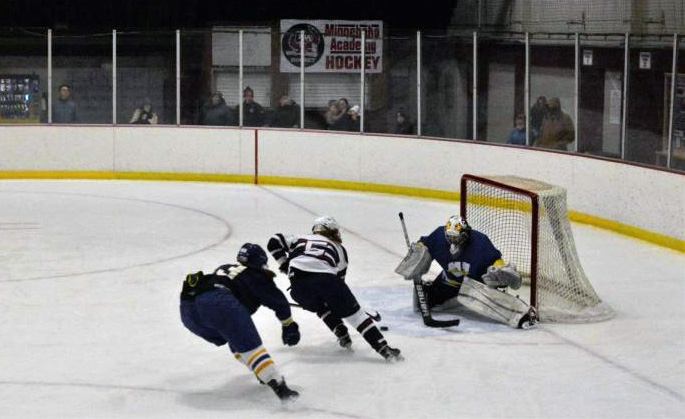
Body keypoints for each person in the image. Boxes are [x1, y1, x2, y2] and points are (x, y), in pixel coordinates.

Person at [267, 216, 403, 362]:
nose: (337, 234)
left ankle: (340, 331)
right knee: (355, 316)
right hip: (327, 280)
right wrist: (349, 307)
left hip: (298, 286)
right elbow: (339, 282)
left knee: (320, 306)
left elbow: (274, 241)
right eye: (335, 231)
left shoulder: (299, 238)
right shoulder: (340, 249)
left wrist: (284, 264)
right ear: (327, 231)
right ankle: (383, 348)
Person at [180, 243, 301, 402]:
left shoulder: (225, 268)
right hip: (218, 302)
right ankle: (281, 389)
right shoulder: (255, 275)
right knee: (249, 345)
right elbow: (280, 303)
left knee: (235, 338)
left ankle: (261, 371)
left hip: (189, 310)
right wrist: (289, 325)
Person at [395, 215, 538, 329]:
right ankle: (454, 298)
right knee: (422, 302)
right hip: (448, 282)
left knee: (470, 294)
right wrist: (417, 252)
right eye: (450, 237)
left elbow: (495, 260)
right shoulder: (438, 236)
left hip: (474, 284)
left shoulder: (480, 242)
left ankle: (522, 314)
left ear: (466, 234)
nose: (453, 242)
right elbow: (424, 244)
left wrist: (500, 271)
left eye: (457, 238)